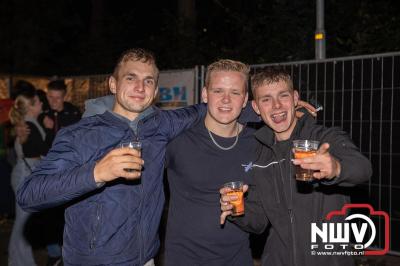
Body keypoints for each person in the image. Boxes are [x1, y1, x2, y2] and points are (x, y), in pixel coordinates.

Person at [16, 48, 205, 266]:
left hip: (145, 260)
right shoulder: (81, 134)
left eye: (148, 81)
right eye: (131, 78)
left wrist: (251, 105)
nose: (140, 87)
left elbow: (209, 110)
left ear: (155, 92)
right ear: (113, 84)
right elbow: (29, 194)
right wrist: (96, 173)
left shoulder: (161, 124)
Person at [220, 67, 372, 266]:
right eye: (266, 99)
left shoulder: (324, 138)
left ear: (295, 98)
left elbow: (362, 169)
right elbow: (258, 222)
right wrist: (235, 210)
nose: (276, 106)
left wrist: (336, 168)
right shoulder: (259, 156)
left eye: (283, 96)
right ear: (256, 107)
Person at [164, 59, 258, 265]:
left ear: (245, 100)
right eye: (218, 91)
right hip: (184, 259)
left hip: (238, 258)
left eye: (235, 92)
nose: (226, 99)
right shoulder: (178, 140)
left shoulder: (259, 142)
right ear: (205, 94)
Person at [8, 88, 51, 266]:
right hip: (26, 175)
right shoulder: (28, 125)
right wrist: (49, 130)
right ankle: (19, 262)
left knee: (24, 222)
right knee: (23, 223)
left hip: (25, 174)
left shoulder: (30, 122)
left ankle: (19, 261)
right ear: (31, 106)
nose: (42, 103)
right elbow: (43, 150)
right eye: (39, 101)